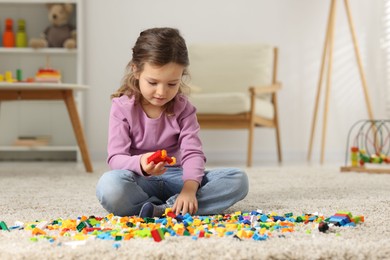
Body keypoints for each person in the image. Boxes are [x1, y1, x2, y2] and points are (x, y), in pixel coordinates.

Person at [96, 27, 249, 218]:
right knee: (109, 185)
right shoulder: (122, 107)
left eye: (171, 84)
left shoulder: (184, 109)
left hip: (179, 177)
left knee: (238, 180)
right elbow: (116, 158)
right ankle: (176, 209)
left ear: (182, 76)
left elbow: (193, 154)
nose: (161, 92)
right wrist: (141, 163)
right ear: (136, 70)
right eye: (153, 83)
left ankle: (161, 209)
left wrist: (189, 190)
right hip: (140, 180)